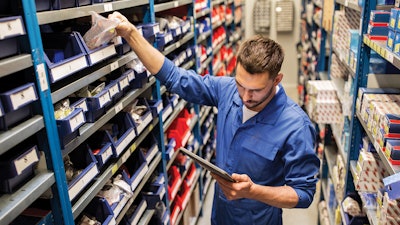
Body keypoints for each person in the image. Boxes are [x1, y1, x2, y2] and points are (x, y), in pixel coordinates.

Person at [108, 11, 320, 225]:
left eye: (256, 90)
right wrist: (131, 34)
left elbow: (303, 194)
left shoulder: (296, 125)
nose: (245, 96)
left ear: (277, 80)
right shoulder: (227, 90)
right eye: (240, 84)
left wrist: (253, 191)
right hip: (220, 216)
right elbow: (174, 77)